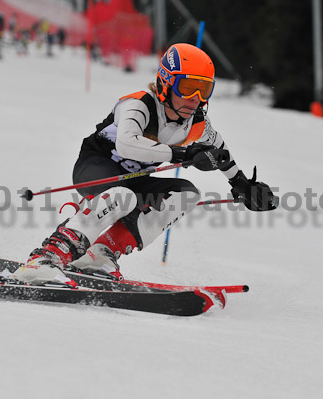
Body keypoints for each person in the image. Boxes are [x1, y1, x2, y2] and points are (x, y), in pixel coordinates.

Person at [14, 43, 278, 286]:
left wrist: (242, 184)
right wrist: (180, 154)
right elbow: (127, 144)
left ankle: (99, 256)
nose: (195, 98)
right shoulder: (138, 105)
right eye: (187, 87)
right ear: (166, 82)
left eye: (204, 89)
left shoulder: (198, 122)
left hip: (136, 177)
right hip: (98, 166)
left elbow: (221, 152)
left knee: (186, 195)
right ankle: (46, 258)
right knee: (122, 196)